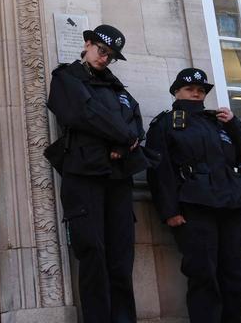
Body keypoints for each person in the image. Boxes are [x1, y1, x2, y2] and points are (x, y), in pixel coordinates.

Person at [45, 24, 149, 323]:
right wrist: (121, 138)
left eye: (111, 55)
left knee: (121, 258)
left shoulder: (119, 90)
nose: (105, 58)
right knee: (92, 254)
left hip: (117, 177)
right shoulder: (66, 77)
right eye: (102, 51)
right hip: (84, 175)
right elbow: (83, 113)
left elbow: (136, 122)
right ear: (88, 44)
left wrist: (126, 141)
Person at [146, 67, 241, 323]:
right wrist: (170, 211)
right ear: (176, 92)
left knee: (236, 276)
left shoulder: (218, 122)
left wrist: (235, 124)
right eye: (189, 89)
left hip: (229, 205)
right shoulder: (165, 124)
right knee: (203, 276)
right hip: (195, 207)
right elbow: (159, 171)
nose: (195, 94)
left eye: (200, 90)